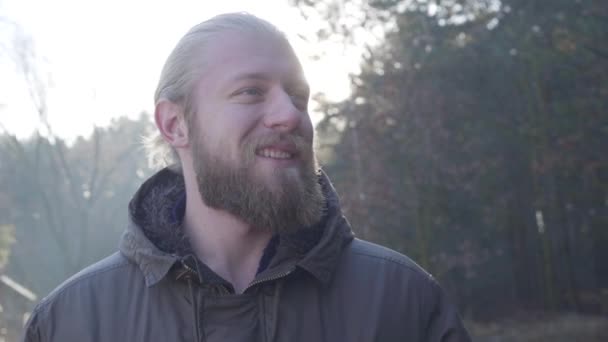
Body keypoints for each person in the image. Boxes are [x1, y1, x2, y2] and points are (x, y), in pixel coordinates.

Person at [23, 13, 471, 342]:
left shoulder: (402, 303)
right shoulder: (71, 323)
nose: (289, 115)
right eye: (251, 91)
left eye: (298, 97)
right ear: (175, 125)